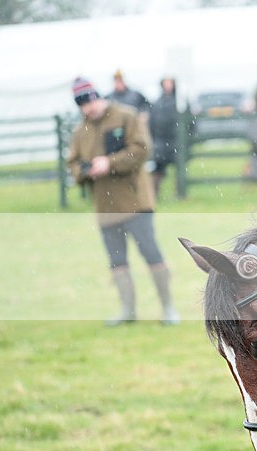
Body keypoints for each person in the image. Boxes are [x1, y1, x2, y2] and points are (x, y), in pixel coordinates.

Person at [67, 77, 180, 327]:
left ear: (98, 96)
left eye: (89, 100)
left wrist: (110, 162)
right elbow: (73, 164)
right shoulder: (80, 132)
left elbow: (142, 149)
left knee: (152, 255)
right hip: (105, 208)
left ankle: (168, 308)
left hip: (136, 203)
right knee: (117, 262)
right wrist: (86, 171)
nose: (88, 108)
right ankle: (128, 310)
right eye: (82, 104)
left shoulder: (126, 116)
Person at [148, 76, 178, 197]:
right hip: (159, 142)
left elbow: (190, 123)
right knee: (157, 170)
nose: (168, 86)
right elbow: (151, 124)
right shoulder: (156, 103)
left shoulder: (179, 102)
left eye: (170, 83)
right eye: (166, 83)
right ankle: (154, 194)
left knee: (179, 170)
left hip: (176, 142)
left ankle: (179, 193)